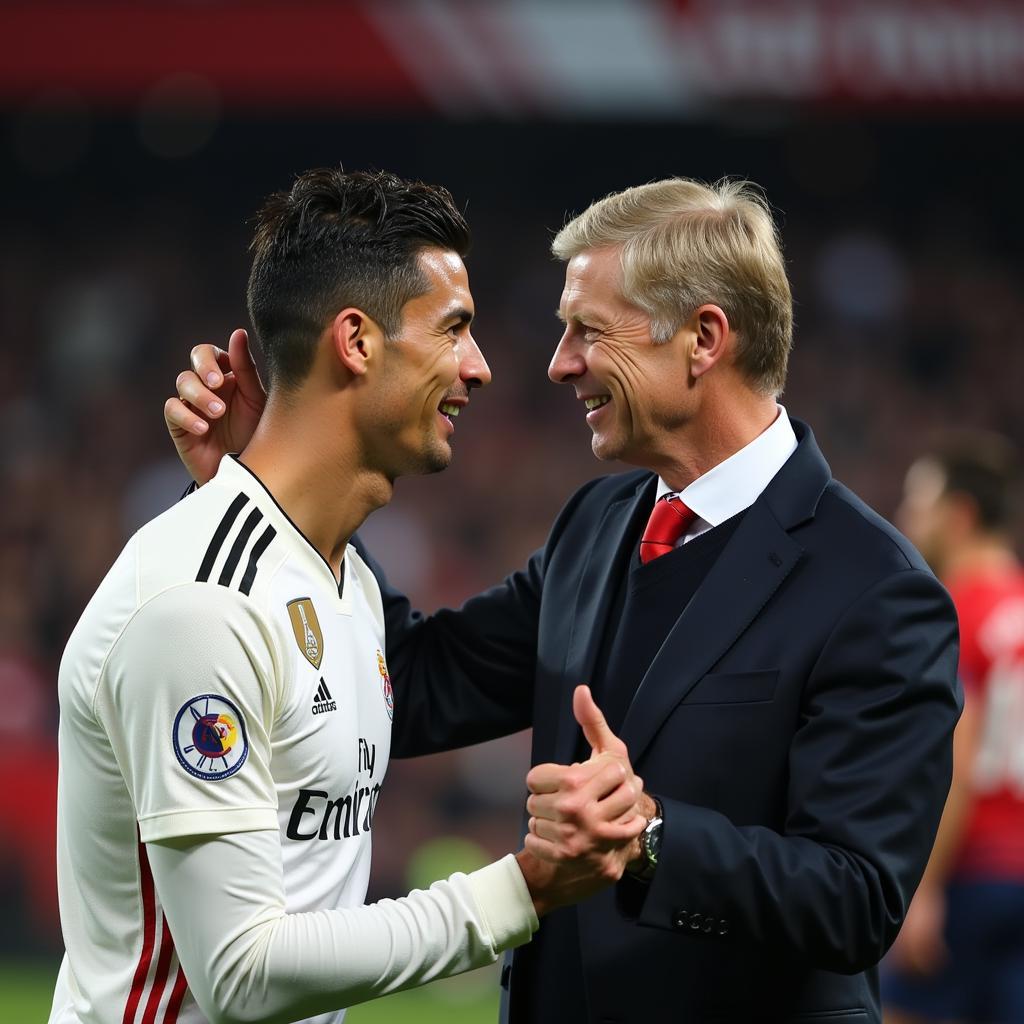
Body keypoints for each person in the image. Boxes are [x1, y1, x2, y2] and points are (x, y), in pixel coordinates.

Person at [167, 177, 962, 1023]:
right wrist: (273, 482)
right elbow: (412, 682)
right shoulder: (601, 523)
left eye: (588, 330)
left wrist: (650, 835)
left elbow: (858, 900)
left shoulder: (877, 589)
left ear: (703, 338)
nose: (558, 363)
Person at [49, 168, 648, 1024]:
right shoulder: (198, 607)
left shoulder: (347, 582)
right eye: (454, 330)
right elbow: (243, 972)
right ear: (357, 342)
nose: (479, 369)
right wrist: (521, 889)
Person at [883, 434, 1024, 1024]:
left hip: (971, 874)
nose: (904, 519)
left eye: (920, 503)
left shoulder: (949, 614)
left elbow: (955, 769)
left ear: (959, 515)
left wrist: (923, 890)